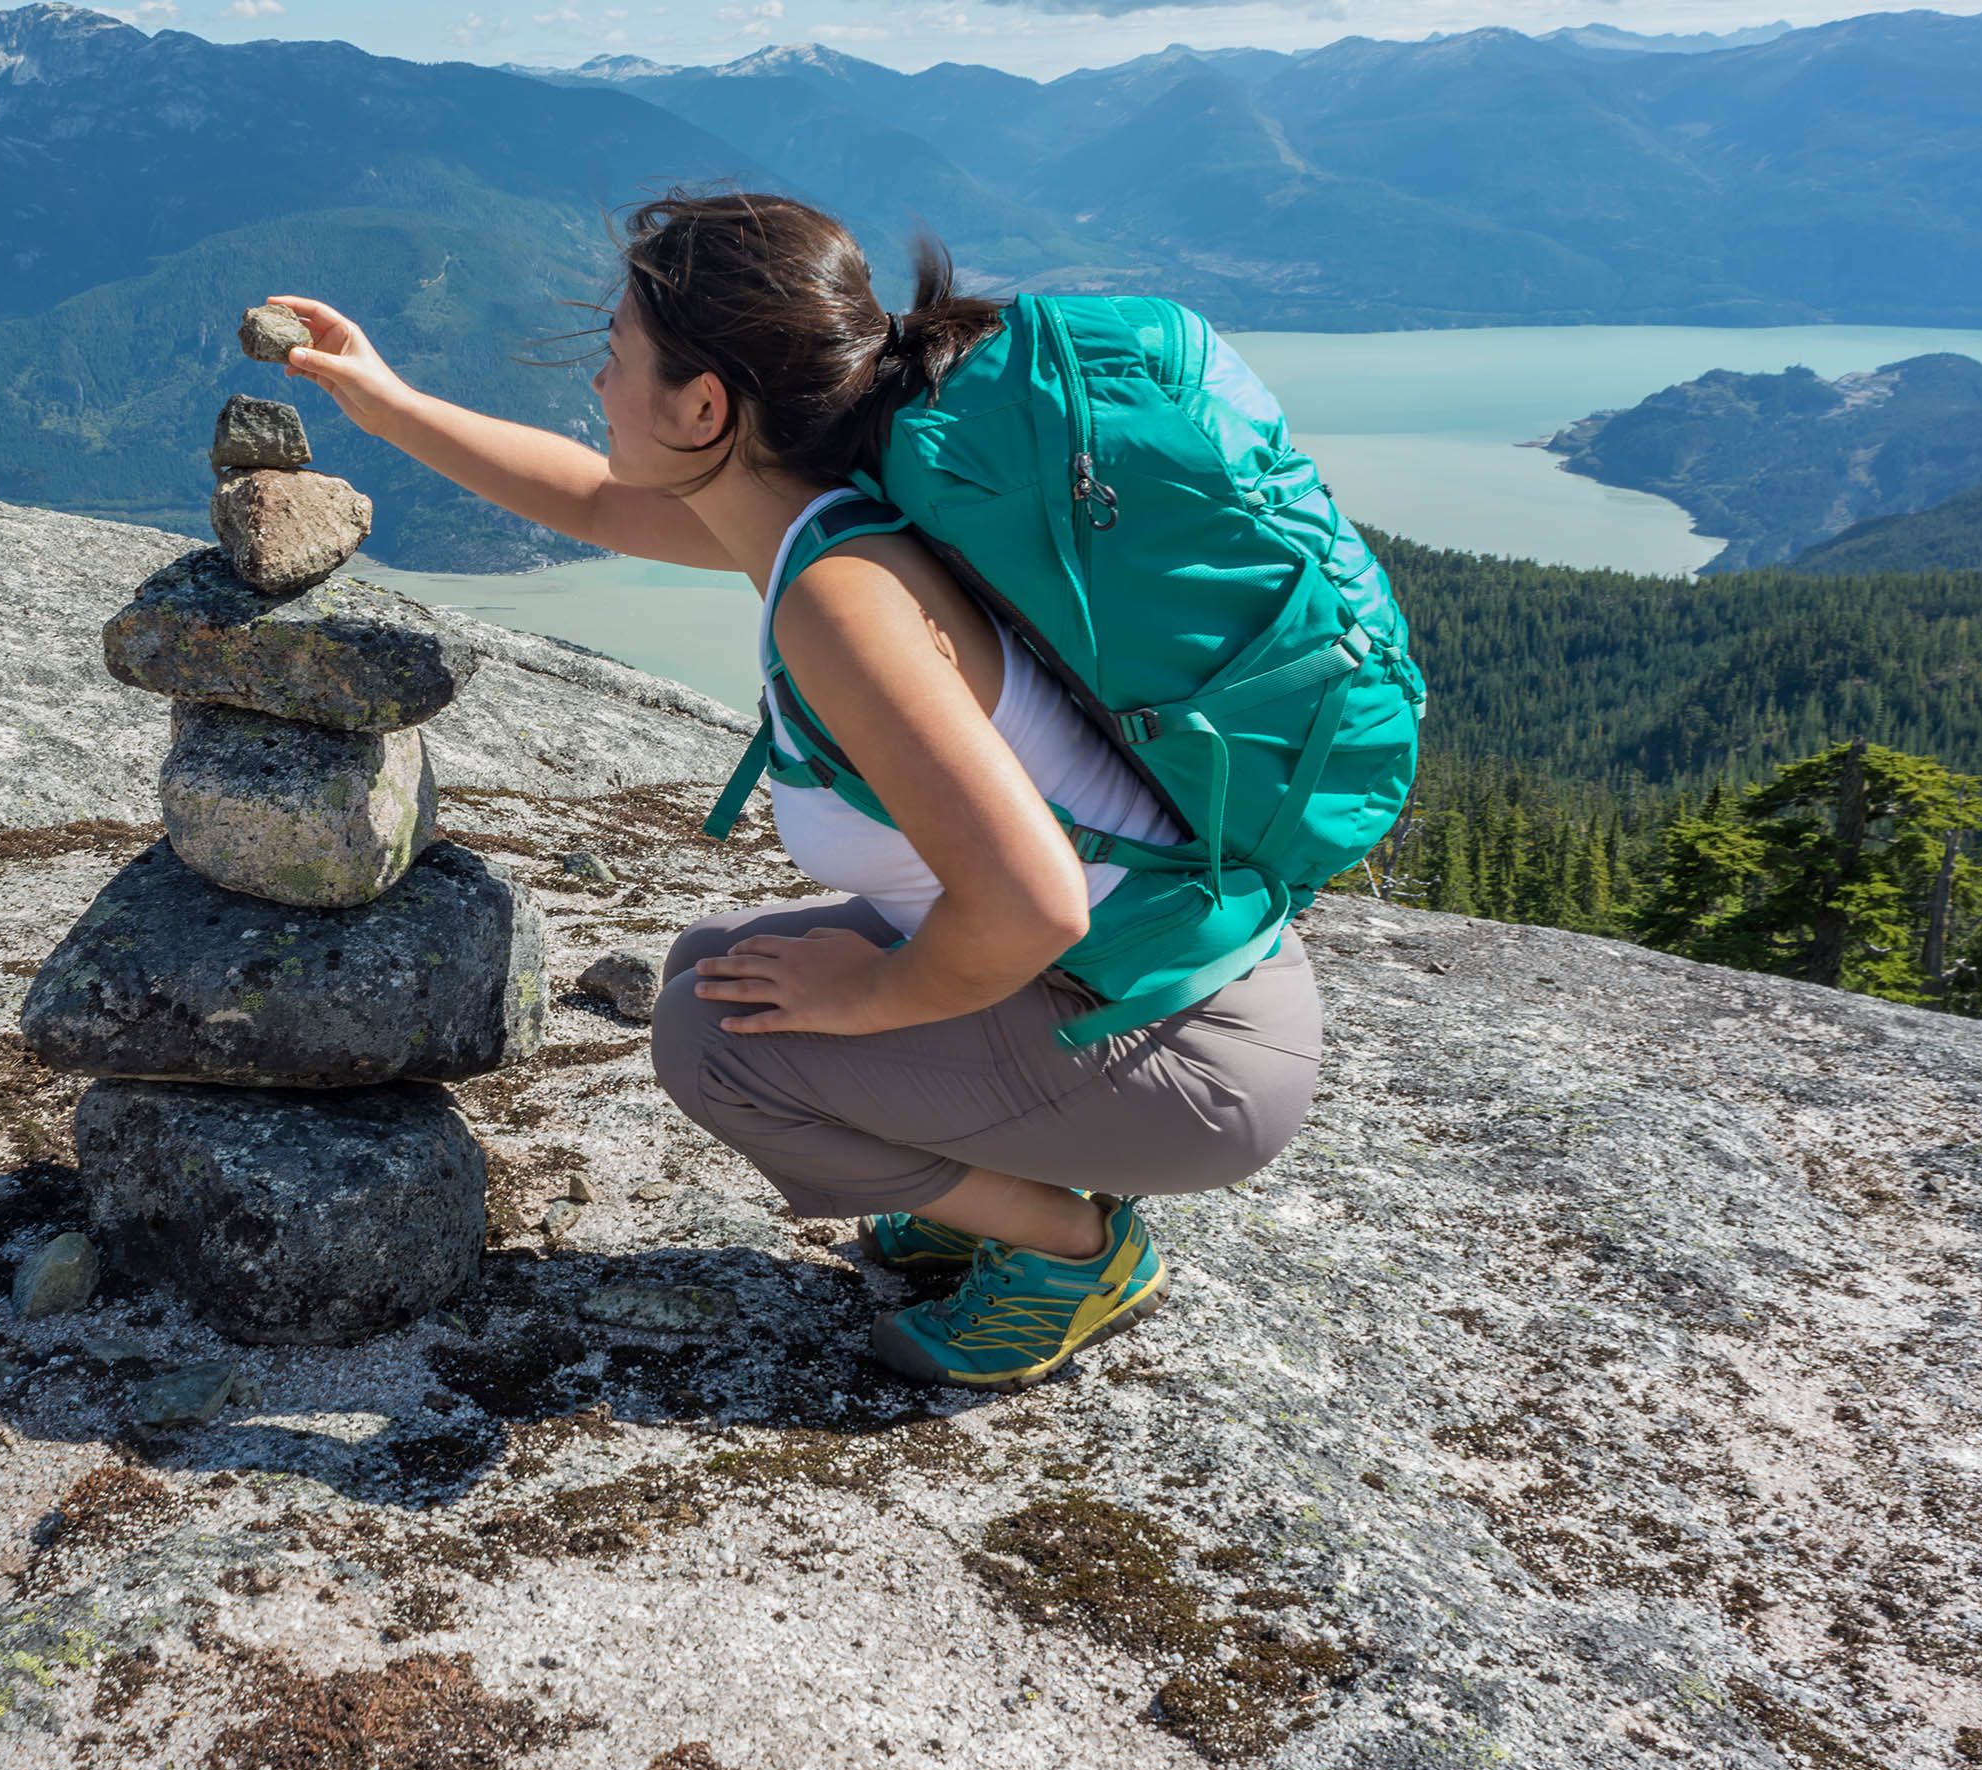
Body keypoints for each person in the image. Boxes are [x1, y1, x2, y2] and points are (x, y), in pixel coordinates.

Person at [267, 192, 1323, 1390]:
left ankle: (1077, 1249)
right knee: (714, 962)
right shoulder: (822, 515)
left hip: (1194, 1057)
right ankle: (994, 1185)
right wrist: (385, 400)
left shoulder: (843, 602)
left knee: (716, 1041)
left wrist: (872, 999)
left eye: (615, 362)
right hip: (1155, 993)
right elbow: (589, 497)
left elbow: (1034, 905)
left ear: (705, 406)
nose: (598, 390)